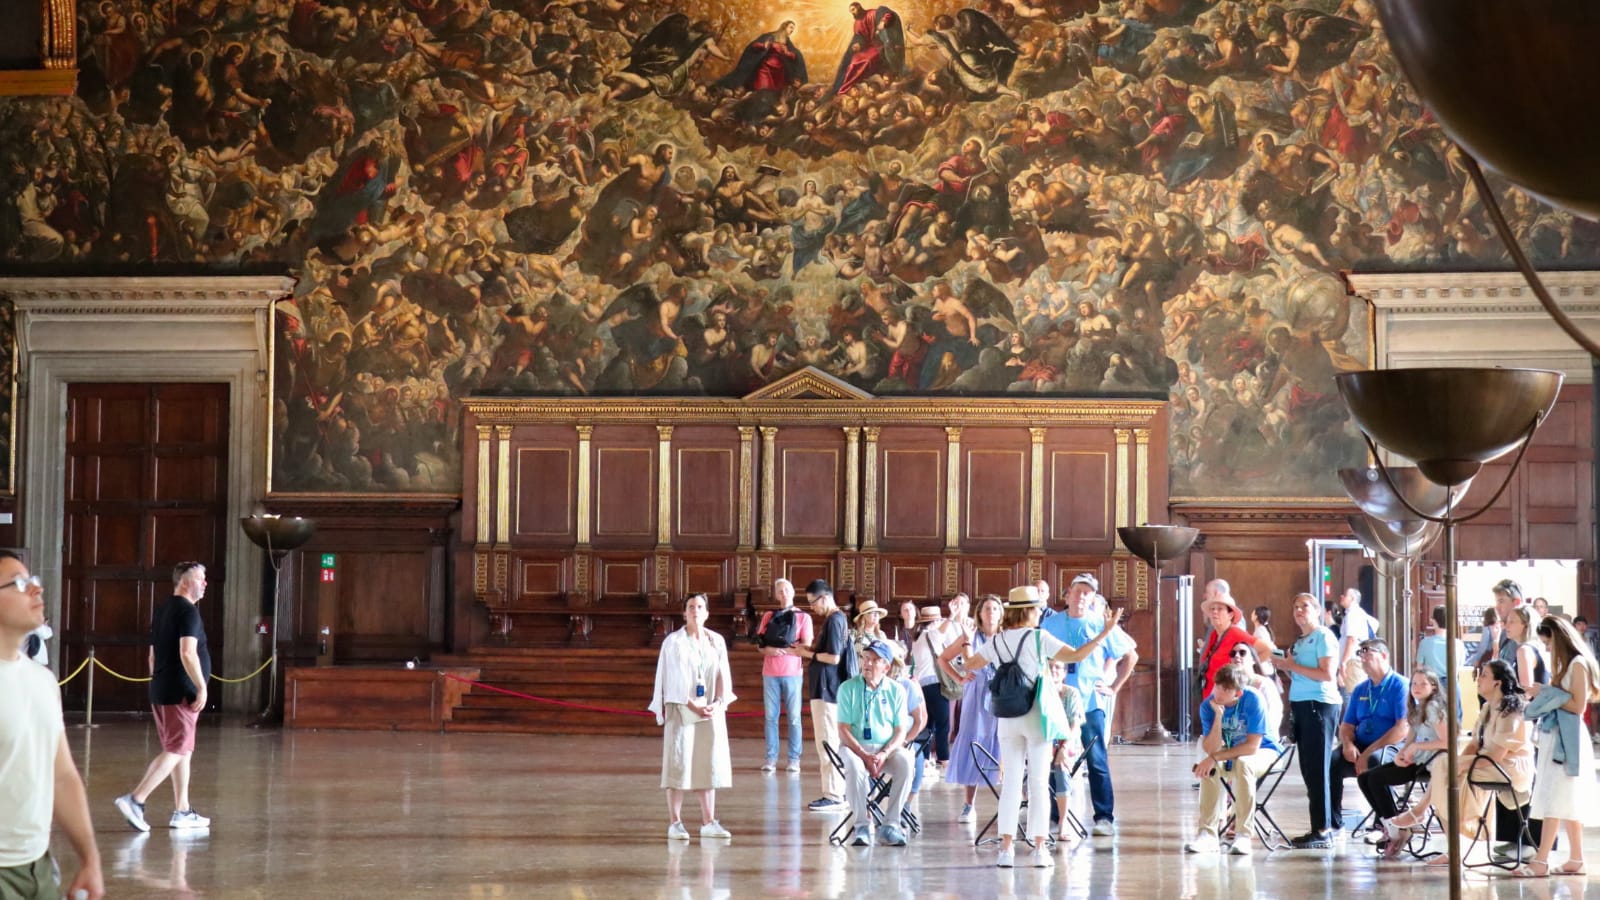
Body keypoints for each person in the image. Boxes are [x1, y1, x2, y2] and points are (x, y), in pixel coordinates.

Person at [958, 585, 1122, 868]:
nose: (1039, 612)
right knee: (1037, 782)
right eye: (1036, 608)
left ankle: (1006, 849)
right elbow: (1076, 656)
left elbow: (970, 663)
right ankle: (1039, 848)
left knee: (1011, 783)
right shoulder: (1038, 637)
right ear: (1029, 611)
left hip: (1007, 717)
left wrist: (965, 640)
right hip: (1036, 716)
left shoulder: (998, 640)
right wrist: (1104, 633)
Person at [0, 550, 104, 900]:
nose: (36, 589)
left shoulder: (42, 681)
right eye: (19, 583)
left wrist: (90, 858)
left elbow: (62, 776)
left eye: (33, 580)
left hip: (39, 869)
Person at [115, 561, 214, 833]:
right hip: (181, 692)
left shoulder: (163, 610)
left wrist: (160, 680)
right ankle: (136, 799)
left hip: (164, 688)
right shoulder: (188, 612)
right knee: (176, 749)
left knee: (183, 750)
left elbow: (152, 655)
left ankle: (183, 810)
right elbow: (187, 653)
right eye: (200, 579)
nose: (205, 583)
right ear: (185, 582)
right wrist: (201, 687)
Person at [1042, 572, 1138, 836]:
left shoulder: (1101, 624)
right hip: (1058, 702)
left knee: (1096, 760)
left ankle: (1104, 817)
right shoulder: (1051, 623)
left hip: (1091, 703)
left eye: (1088, 593)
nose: (1082, 597)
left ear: (1093, 598)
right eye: (1078, 591)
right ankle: (1055, 815)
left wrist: (1113, 687)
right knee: (1054, 758)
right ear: (1068, 594)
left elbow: (1131, 655)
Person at [1419, 660, 1536, 868]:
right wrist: (1457, 764)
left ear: (1497, 683)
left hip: (1508, 768)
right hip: (1486, 763)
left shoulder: (1512, 710)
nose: (1478, 679)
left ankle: (1423, 813)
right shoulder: (1487, 708)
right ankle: (1454, 842)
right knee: (1444, 767)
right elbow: (1474, 745)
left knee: (1444, 767)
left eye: (1484, 675)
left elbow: (1497, 755)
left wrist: (1461, 766)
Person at [649, 593, 736, 841]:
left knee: (707, 762)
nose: (695, 610)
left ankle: (709, 821)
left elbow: (722, 674)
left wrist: (718, 702)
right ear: (684, 613)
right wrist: (693, 705)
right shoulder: (674, 642)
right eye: (690, 607)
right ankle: (675, 822)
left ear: (707, 613)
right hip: (682, 709)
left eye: (699, 606)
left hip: (710, 710)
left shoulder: (716, 641)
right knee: (678, 762)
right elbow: (671, 678)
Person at [1520, 616, 1599, 876]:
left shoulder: (1577, 664)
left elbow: (1578, 706)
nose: (1547, 649)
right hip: (1558, 735)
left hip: (1568, 739)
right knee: (1566, 797)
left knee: (1554, 795)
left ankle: (1541, 860)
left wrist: (1548, 693)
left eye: (1549, 643)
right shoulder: (1566, 665)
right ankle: (1576, 858)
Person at [1183, 662, 1283, 857]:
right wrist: (1218, 718)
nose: (1218, 692)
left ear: (1238, 693)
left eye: (1226, 689)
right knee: (1210, 768)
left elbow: (1252, 747)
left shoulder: (1253, 699)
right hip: (1231, 752)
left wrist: (1215, 757)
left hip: (1266, 752)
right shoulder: (1208, 706)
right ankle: (1207, 834)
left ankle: (1243, 835)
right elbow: (1211, 748)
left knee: (1244, 763)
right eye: (1217, 685)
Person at [1274, 592, 1341, 849]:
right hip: (1302, 704)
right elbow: (1302, 675)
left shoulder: (1323, 636)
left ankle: (1323, 830)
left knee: (1318, 768)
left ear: (1316, 610)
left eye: (1305, 606)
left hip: (1319, 705)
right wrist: (1285, 666)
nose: (1299, 610)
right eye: (1296, 607)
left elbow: (1327, 674)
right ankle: (1319, 826)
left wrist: (1291, 666)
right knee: (1309, 769)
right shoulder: (1301, 641)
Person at [1357, 669, 1448, 857]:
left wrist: (1416, 747)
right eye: (1414, 683)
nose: (1416, 687)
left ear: (1433, 687)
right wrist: (1401, 753)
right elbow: (1410, 738)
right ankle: (1392, 827)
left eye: (1423, 684)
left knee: (1375, 779)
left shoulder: (1433, 708)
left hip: (1432, 762)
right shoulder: (1416, 708)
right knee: (1364, 778)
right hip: (1416, 759)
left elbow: (1447, 742)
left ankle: (1397, 829)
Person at [836, 639, 916, 847]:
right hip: (855, 747)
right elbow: (843, 729)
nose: (867, 663)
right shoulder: (847, 688)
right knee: (854, 766)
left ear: (886, 667)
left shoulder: (896, 690)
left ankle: (890, 825)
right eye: (866, 658)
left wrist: (884, 753)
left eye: (874, 660)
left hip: (885, 749)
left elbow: (900, 730)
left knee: (907, 761)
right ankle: (862, 825)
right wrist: (864, 755)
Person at [1327, 639, 1410, 836]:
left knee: (1374, 761)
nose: (1362, 658)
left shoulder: (1400, 685)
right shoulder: (1361, 689)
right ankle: (1334, 823)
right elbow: (1347, 725)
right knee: (1332, 762)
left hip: (1391, 747)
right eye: (1360, 654)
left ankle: (1385, 822)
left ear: (1383, 656)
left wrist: (1368, 752)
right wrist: (1347, 744)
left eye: (1367, 653)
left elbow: (1402, 728)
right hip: (1360, 745)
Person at [938, 593, 1003, 824]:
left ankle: (1012, 799)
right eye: (987, 608)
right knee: (973, 740)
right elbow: (943, 659)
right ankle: (968, 804)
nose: (991, 612)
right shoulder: (971, 636)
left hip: (1002, 695)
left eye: (995, 608)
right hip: (976, 694)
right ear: (980, 613)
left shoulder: (1006, 637)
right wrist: (959, 678)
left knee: (1003, 740)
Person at [792, 580, 856, 812]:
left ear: (825, 597)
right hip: (826, 689)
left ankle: (834, 794)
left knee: (827, 742)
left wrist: (806, 654)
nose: (812, 607)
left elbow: (834, 657)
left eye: (813, 602)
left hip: (828, 690)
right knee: (827, 741)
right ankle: (836, 791)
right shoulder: (835, 620)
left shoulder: (836, 620)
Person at [755, 578, 813, 773]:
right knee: (770, 717)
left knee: (794, 717)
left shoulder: (803, 617)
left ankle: (794, 759)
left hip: (792, 672)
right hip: (770, 672)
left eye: (787, 589)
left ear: (793, 592)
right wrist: (768, 650)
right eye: (780, 590)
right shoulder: (769, 615)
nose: (784, 593)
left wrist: (786, 651)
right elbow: (759, 644)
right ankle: (771, 758)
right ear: (776, 594)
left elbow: (807, 644)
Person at [1195, 580, 1273, 697]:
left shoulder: (1235, 633)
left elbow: (1267, 650)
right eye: (1212, 609)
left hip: (1228, 699)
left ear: (1230, 615)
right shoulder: (1214, 634)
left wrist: (1245, 667)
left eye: (1220, 609)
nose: (1215, 612)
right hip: (1211, 697)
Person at [909, 604, 954, 772]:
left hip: (922, 685)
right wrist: (951, 616)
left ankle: (925, 757)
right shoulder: (932, 635)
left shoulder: (917, 638)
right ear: (934, 622)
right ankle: (944, 759)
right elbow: (943, 630)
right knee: (943, 723)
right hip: (935, 684)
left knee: (928, 724)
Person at [1337, 588, 1379, 693]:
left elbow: (1351, 639)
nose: (1341, 596)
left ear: (1352, 598)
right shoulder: (1359, 613)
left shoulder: (1353, 614)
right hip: (1355, 660)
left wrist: (1344, 662)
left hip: (1352, 661)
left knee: (1354, 694)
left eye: (1345, 595)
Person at [1249, 605, 1276, 679]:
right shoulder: (1261, 630)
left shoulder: (1260, 631)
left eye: (1253, 613)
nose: (1251, 614)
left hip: (1264, 669)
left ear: (1256, 616)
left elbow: (1269, 650)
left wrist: (1253, 662)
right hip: (1266, 668)